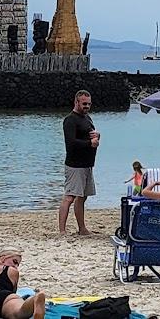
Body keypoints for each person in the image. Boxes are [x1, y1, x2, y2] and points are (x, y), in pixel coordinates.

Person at [58, 90, 98, 236]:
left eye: (89, 104)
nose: (87, 106)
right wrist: (90, 143)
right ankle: (62, 230)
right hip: (75, 165)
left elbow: (89, 137)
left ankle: (82, 228)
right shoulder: (70, 120)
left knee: (83, 196)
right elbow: (71, 143)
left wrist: (96, 137)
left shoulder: (87, 118)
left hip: (87, 164)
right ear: (76, 102)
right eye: (84, 104)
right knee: (70, 197)